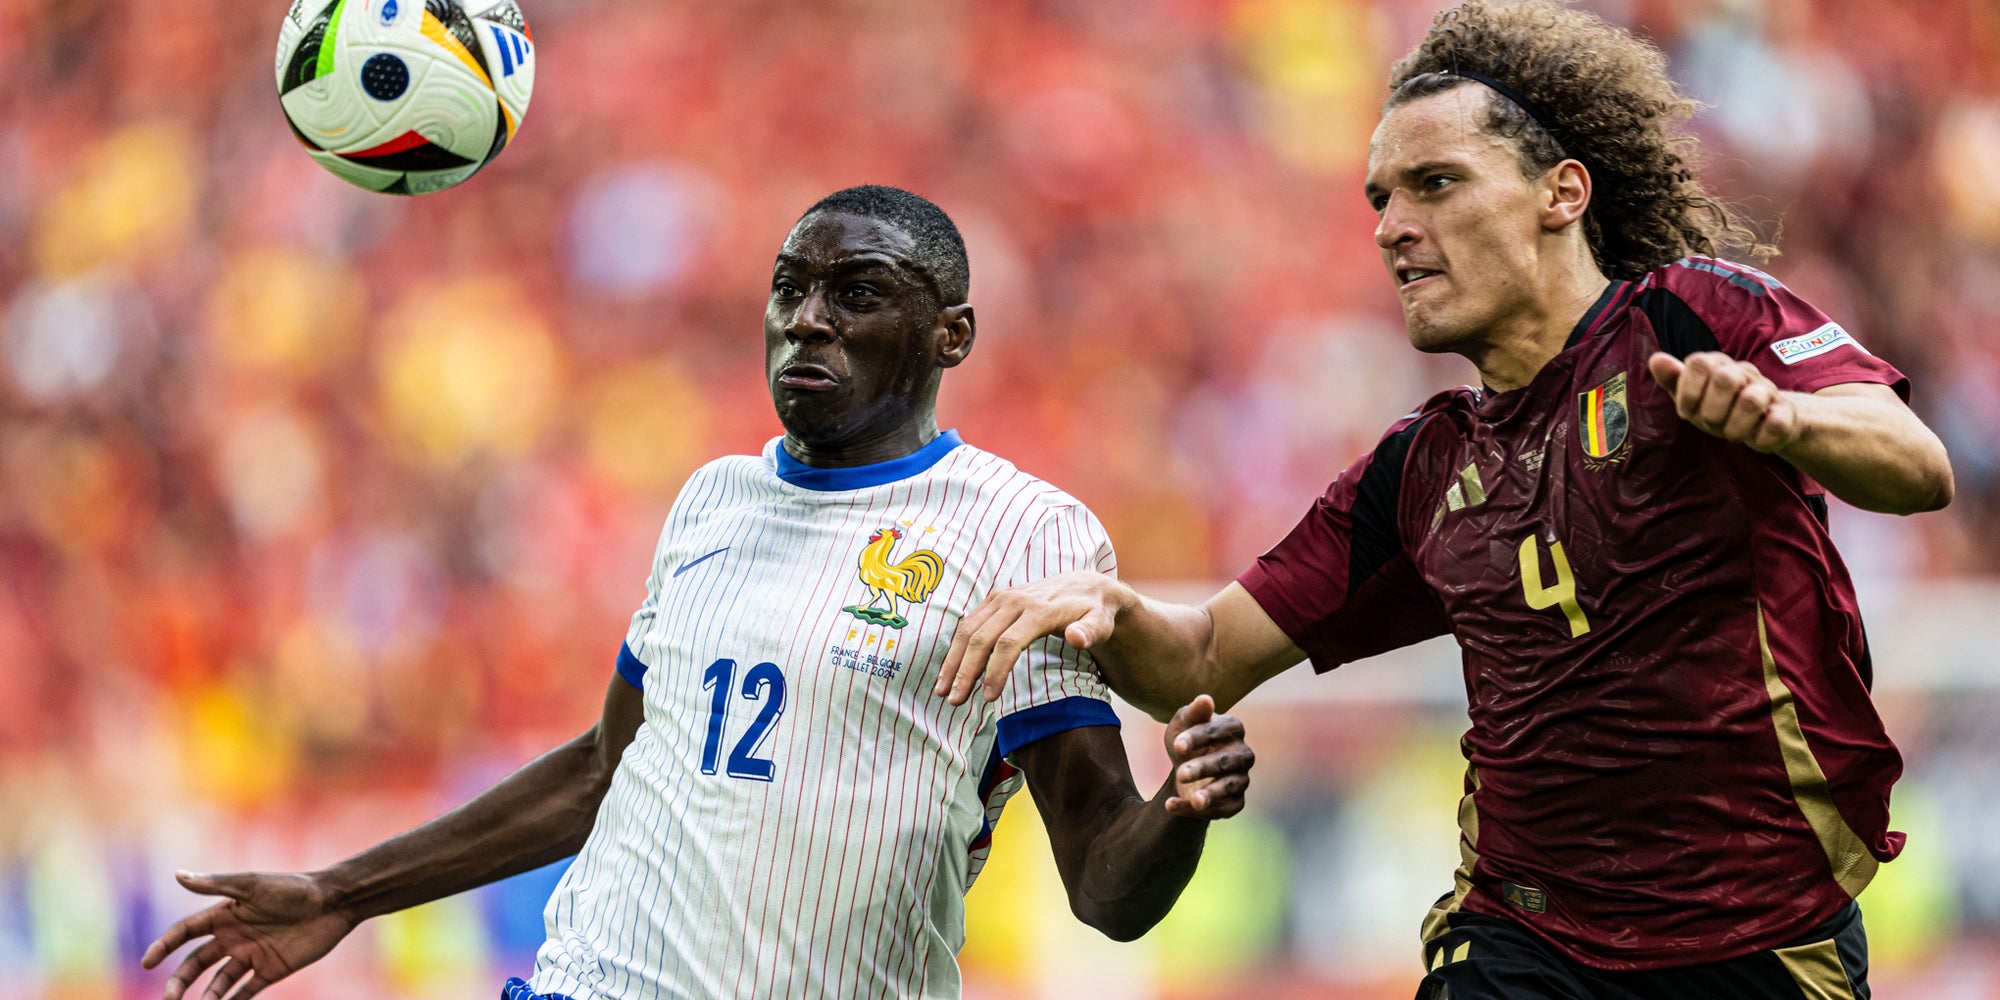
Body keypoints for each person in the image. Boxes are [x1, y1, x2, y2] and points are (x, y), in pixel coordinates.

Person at [937, 4, 1953, 998]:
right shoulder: (1420, 470)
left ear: (1559, 194)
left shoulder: (1692, 315)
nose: (1392, 229)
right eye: (1379, 199)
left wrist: (1785, 424)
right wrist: (1109, 611)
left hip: (1757, 937)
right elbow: (1200, 661)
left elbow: (1913, 466)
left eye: (1433, 184)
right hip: (1522, 940)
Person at [142, 185, 1256, 1000]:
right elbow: (605, 770)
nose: (805, 319)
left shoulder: (1025, 531)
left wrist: (1176, 810)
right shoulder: (711, 501)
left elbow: (1105, 888)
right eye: (789, 288)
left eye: (855, 292)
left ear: (949, 333)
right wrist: (344, 892)